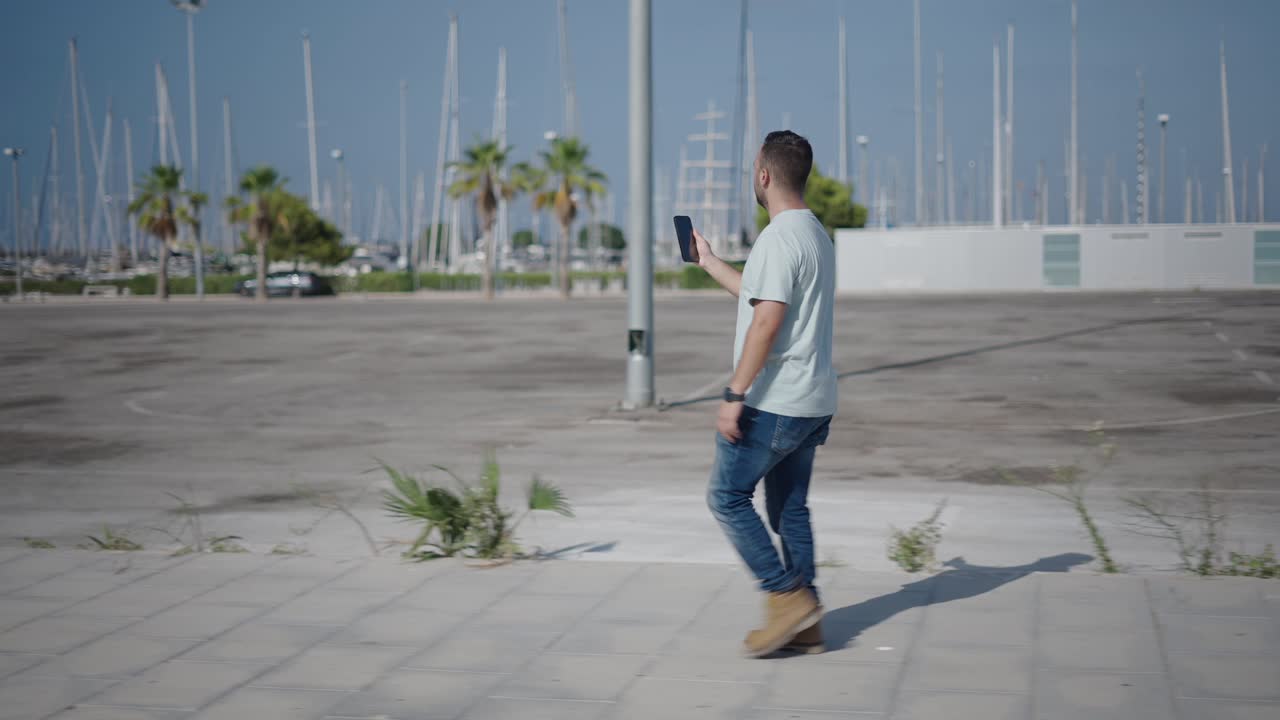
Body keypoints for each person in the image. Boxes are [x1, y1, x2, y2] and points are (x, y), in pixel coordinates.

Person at [691, 130, 837, 658]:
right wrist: (709, 262)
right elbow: (761, 296)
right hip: (813, 401)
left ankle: (784, 596)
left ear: (764, 174)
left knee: (727, 497)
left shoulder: (777, 239)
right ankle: (808, 620)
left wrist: (735, 393)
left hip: (775, 402)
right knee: (790, 509)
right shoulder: (815, 234)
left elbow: (767, 322)